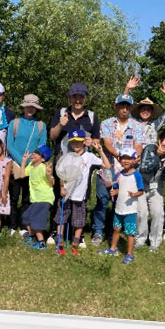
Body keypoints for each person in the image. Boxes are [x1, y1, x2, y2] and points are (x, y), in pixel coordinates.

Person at [48, 82, 100, 243]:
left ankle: (78, 235)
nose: (78, 100)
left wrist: (92, 142)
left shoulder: (91, 116)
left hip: (82, 163)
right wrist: (60, 124)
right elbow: (52, 136)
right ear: (70, 97)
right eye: (75, 97)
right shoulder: (61, 113)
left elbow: (97, 140)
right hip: (63, 161)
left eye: (81, 97)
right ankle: (56, 231)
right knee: (60, 196)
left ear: (85, 98)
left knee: (80, 197)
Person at [92, 93, 144, 246]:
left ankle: (113, 232)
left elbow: (138, 145)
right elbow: (107, 143)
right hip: (108, 167)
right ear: (116, 107)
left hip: (126, 171)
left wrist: (136, 156)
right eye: (121, 106)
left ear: (131, 108)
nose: (124, 109)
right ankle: (98, 231)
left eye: (127, 106)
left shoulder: (137, 126)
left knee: (120, 201)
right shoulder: (107, 123)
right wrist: (120, 156)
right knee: (102, 199)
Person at [54, 129, 111, 255]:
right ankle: (60, 243)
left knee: (79, 220)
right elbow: (61, 174)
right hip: (67, 192)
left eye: (78, 141)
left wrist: (100, 151)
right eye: (73, 142)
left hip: (80, 194)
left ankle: (75, 244)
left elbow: (107, 166)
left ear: (84, 142)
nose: (76, 144)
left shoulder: (89, 157)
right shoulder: (67, 156)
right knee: (62, 217)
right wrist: (62, 187)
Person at [5, 94, 47, 235]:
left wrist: (30, 162)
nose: (30, 109)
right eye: (28, 106)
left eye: (33, 107)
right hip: (15, 165)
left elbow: (42, 145)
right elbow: (9, 144)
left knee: (28, 198)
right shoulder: (14, 123)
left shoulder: (41, 126)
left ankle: (24, 226)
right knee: (13, 196)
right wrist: (20, 160)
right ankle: (12, 225)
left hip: (32, 166)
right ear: (23, 107)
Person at [99, 147, 144, 264]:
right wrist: (115, 192)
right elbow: (119, 188)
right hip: (119, 209)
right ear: (120, 160)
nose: (126, 161)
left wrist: (134, 194)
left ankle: (129, 254)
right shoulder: (119, 174)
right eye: (124, 158)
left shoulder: (137, 175)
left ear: (134, 160)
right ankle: (112, 249)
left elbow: (141, 191)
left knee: (130, 233)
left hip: (130, 210)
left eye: (129, 158)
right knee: (116, 229)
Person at [137, 130, 165, 251]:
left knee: (158, 213)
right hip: (141, 184)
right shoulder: (150, 149)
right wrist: (157, 157)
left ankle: (155, 242)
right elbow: (144, 169)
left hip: (156, 186)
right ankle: (140, 239)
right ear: (160, 140)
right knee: (142, 212)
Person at [19, 145, 55, 251]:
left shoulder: (43, 168)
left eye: (37, 153)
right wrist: (23, 161)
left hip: (44, 198)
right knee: (26, 217)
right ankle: (32, 238)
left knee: (36, 221)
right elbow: (22, 175)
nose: (33, 154)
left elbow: (51, 183)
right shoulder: (31, 165)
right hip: (35, 199)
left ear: (42, 159)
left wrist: (49, 175)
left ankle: (41, 243)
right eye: (34, 152)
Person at [129, 80, 165, 146]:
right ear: (139, 110)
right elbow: (123, 108)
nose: (145, 111)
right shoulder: (132, 122)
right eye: (143, 109)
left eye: (148, 109)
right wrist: (127, 88)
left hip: (150, 152)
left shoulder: (155, 124)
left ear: (152, 112)